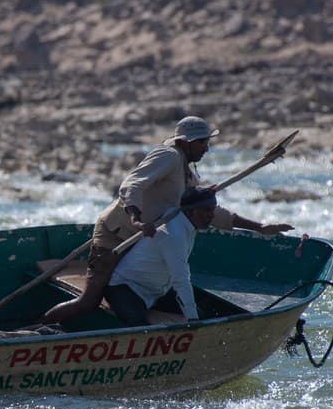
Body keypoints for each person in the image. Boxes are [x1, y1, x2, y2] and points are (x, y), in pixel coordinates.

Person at [42, 115, 292, 325]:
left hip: (141, 239)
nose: (207, 148)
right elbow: (131, 185)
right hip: (116, 234)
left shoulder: (187, 175)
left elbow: (210, 212)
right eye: (203, 142)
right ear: (187, 142)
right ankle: (42, 327)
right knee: (89, 301)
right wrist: (137, 219)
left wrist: (259, 227)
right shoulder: (168, 156)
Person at [104, 187, 218, 326]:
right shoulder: (173, 235)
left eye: (213, 209)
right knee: (140, 327)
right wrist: (193, 320)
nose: (212, 215)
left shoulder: (183, 218)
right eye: (207, 210)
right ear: (191, 211)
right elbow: (180, 279)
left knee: (206, 313)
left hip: (157, 292)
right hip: (125, 288)